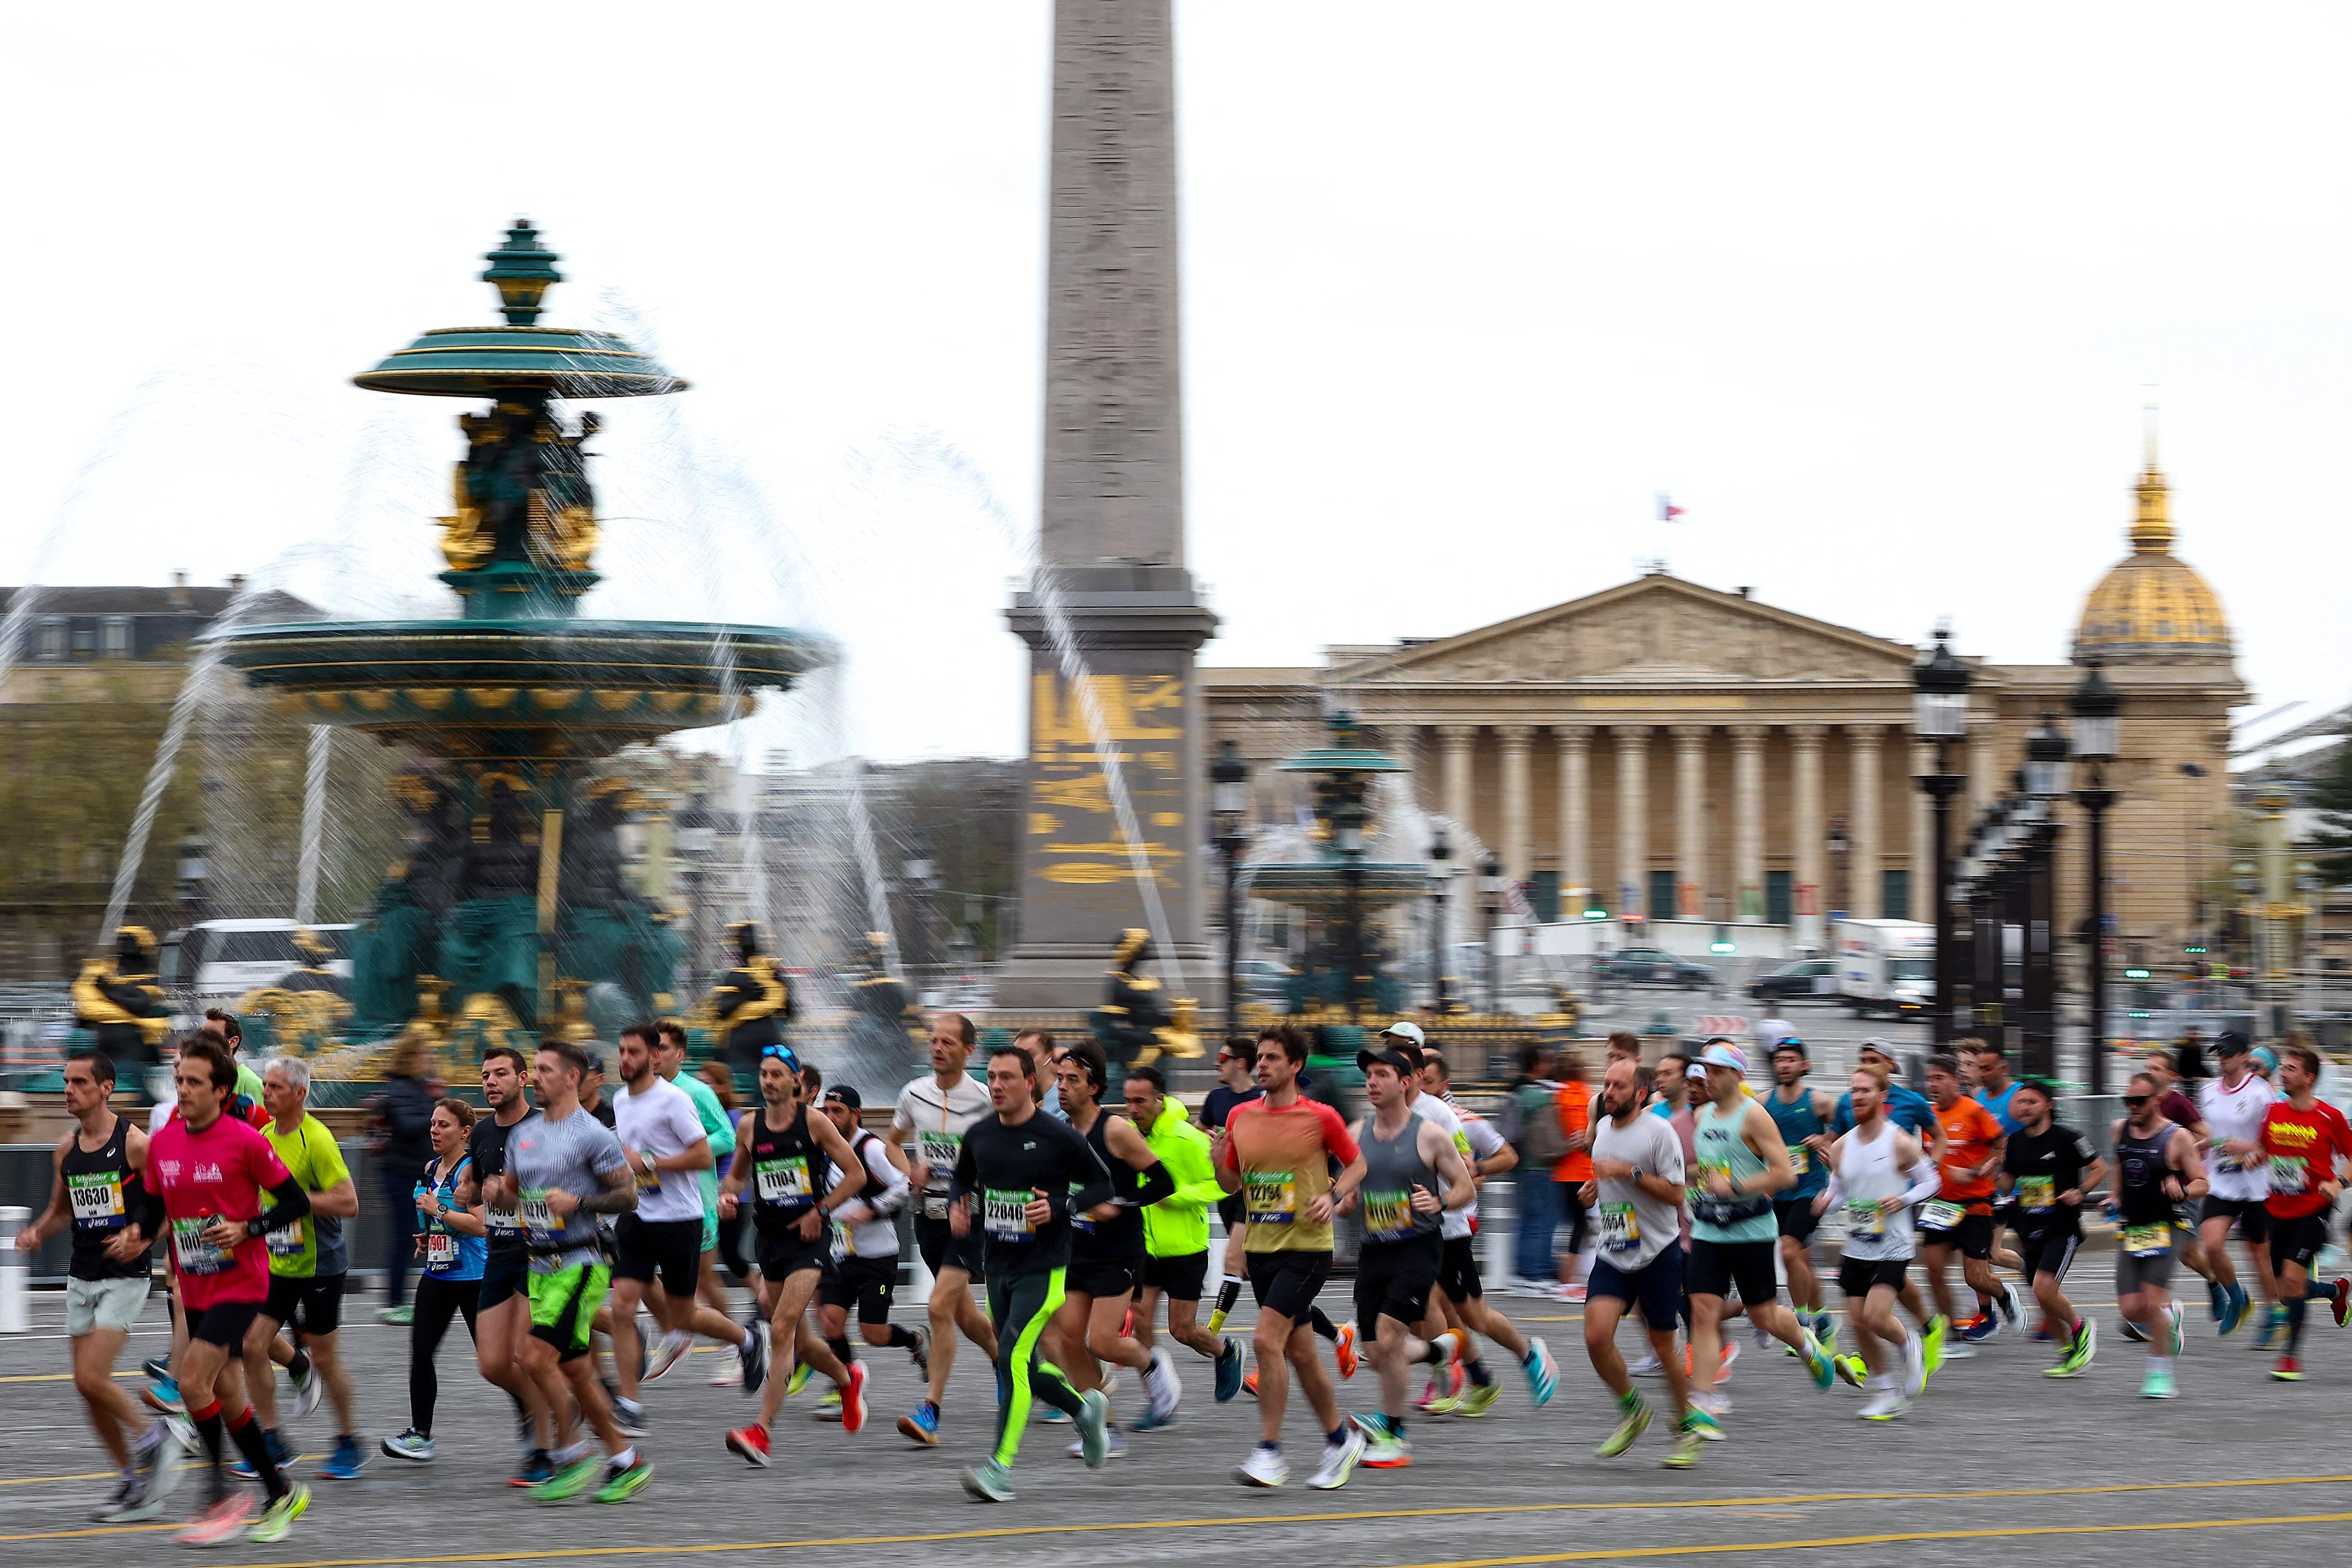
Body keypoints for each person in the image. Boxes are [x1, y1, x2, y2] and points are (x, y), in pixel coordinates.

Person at [142, 1036, 314, 1544]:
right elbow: (153, 1207)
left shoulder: (246, 1140)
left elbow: (295, 1202)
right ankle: (280, 1491)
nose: (183, 1089)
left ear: (222, 1089)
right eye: (179, 1080)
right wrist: (136, 1232)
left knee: (193, 1381)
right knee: (227, 1395)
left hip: (242, 1282)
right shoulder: (164, 1142)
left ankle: (217, 1495)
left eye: (194, 1081)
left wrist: (248, 1228)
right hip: (195, 1285)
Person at [16, 1048, 182, 1522]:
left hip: (125, 1275)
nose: (69, 1089)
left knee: (92, 1376)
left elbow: (171, 1206)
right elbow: (62, 1208)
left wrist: (143, 1237)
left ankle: (157, 1437)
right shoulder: (65, 1150)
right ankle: (132, 1479)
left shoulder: (137, 1144)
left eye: (80, 1082)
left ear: (105, 1088)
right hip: (82, 1273)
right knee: (87, 1386)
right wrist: (35, 1231)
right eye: (66, 1081)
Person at [484, 1038, 652, 1504]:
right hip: (539, 1264)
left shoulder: (594, 1135)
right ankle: (626, 1460)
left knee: (534, 1357)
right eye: (534, 1068)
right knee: (577, 1369)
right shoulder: (524, 1134)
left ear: (571, 1077)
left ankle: (573, 1452)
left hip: (581, 1261)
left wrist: (579, 1201)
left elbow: (629, 1196)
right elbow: (518, 1197)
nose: (535, 1076)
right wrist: (500, 1194)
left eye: (543, 1069)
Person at [950, 1042, 1119, 1503]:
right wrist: (956, 1203)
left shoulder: (1056, 1134)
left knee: (1009, 1357)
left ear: (1030, 1083)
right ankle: (1086, 1410)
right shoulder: (980, 1133)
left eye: (1007, 1077)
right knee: (1024, 1363)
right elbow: (963, 1176)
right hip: (998, 1264)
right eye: (992, 1077)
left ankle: (1000, 1467)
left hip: (1045, 1268)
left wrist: (1062, 1206)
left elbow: (1104, 1183)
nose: (997, 1085)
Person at [1215, 1023, 1368, 1492]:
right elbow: (1232, 1186)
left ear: (1295, 1065)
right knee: (1301, 1353)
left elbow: (1358, 1162)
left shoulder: (1320, 1117)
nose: (1262, 1064)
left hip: (1307, 1247)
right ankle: (1340, 1440)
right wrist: (1219, 1156)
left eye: (1273, 1058)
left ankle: (1270, 1451)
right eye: (1259, 1057)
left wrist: (1334, 1191)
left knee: (1266, 1341)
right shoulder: (1241, 1115)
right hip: (1263, 1249)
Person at [608, 1024, 766, 1437]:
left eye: (634, 1052)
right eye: (621, 1052)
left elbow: (701, 1154)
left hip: (680, 1219)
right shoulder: (620, 1100)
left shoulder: (676, 1099)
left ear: (653, 1058)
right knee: (624, 1307)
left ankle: (748, 1341)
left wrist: (650, 1162)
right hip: (638, 1215)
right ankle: (629, 1404)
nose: (625, 1060)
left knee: (684, 1317)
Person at [719, 1046, 872, 1464]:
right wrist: (727, 1196)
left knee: (782, 1328)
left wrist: (819, 1212)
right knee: (801, 1340)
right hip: (769, 1240)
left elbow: (857, 1174)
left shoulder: (816, 1123)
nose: (768, 1081)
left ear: (794, 1082)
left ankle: (762, 1432)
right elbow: (735, 1174)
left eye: (776, 1075)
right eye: (764, 1074)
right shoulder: (750, 1127)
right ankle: (847, 1378)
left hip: (809, 1239)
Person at [1682, 1041, 1841, 1425]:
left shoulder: (1754, 1116)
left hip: (1750, 1230)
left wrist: (1735, 1187)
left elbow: (1785, 1174)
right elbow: (1709, 1171)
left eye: (1718, 1070)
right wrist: (1691, 1182)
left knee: (1765, 1316)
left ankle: (1809, 1350)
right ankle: (1704, 1402)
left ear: (1738, 1075)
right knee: (1703, 1311)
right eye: (1706, 1069)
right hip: (1709, 1228)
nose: (1710, 1076)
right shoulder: (1702, 1115)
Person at [1332, 1043, 1472, 1469]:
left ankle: (1394, 1434)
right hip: (1374, 1249)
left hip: (1418, 1247)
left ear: (1405, 1082)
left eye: (1381, 1075)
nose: (1371, 1082)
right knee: (1375, 1351)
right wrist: (1346, 1203)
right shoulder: (1357, 1133)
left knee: (1390, 1336)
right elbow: (1347, 1192)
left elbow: (1465, 1187)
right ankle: (1436, 1352)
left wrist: (1441, 1203)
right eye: (1368, 1075)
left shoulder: (1429, 1133)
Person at [1049, 1039, 1180, 1452]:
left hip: (1118, 1251)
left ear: (1094, 1087)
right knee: (1070, 1338)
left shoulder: (1116, 1131)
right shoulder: (1062, 1133)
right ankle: (1104, 1429)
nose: (1063, 1087)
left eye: (1073, 1080)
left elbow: (1164, 1182)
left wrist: (1118, 1205)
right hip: (1078, 1249)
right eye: (1059, 1079)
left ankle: (1151, 1363)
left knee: (1101, 1342)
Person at [239, 1057, 363, 1482]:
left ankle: (349, 1441)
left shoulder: (318, 1140)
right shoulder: (263, 1137)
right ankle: (273, 1440)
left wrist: (298, 1201)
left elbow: (349, 1203)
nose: (266, 1093)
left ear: (299, 1094)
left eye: (275, 1087)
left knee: (327, 1359)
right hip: (277, 1262)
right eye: (266, 1086)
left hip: (320, 1266)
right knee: (253, 1345)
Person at [1416, 1047, 1557, 1411]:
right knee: (1432, 1307)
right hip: (1420, 1230)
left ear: (1443, 1084)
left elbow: (1509, 1156)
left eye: (1427, 1081)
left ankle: (1528, 1355)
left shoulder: (1461, 1119)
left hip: (1454, 1225)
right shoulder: (1407, 1119)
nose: (1420, 1086)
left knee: (1468, 1314)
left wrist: (1474, 1172)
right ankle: (1467, 1377)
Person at [1580, 1055, 1704, 1468]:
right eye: (1606, 1084)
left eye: (1617, 1087)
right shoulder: (1600, 1129)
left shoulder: (1659, 1133)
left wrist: (1629, 1172)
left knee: (1663, 1346)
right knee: (1596, 1338)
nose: (1607, 1093)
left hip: (1657, 1252)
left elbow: (1675, 1194)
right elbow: (1605, 1177)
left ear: (1639, 1093)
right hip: (1613, 1250)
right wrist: (1593, 1189)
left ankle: (1686, 1426)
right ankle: (1632, 1410)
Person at [890, 1012, 999, 1445]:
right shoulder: (913, 1093)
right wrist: (910, 1168)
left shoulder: (985, 1099)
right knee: (964, 1314)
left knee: (938, 1308)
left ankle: (931, 1411)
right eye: (934, 1041)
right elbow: (892, 1143)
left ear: (968, 1051)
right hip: (927, 1216)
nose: (937, 1048)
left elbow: (1002, 1149)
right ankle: (1010, 1368)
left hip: (969, 1215)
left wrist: (976, 1189)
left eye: (948, 1043)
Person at [453, 1044, 556, 1486]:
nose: (491, 1082)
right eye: (484, 1076)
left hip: (540, 1254)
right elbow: (479, 1190)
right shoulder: (481, 1136)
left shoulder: (544, 1128)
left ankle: (546, 1449)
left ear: (523, 1079)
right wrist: (468, 1194)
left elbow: (558, 1201)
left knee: (527, 1356)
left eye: (500, 1074)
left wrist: (508, 1196)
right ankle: (547, 1407)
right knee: (493, 1364)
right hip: (498, 1253)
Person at [1816, 1064, 1941, 1420]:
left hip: (1893, 1243)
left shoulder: (1898, 1141)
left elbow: (1931, 1182)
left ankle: (1908, 1343)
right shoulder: (1841, 1146)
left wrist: (1903, 1200)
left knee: (1875, 1316)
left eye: (1865, 1090)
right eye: (1854, 1090)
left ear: (1882, 1096)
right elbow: (1838, 1192)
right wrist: (1825, 1204)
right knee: (1857, 1323)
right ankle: (1887, 1392)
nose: (1857, 1096)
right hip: (1856, 1243)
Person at [1124, 1065, 1245, 1401]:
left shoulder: (1186, 1138)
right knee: (1141, 1322)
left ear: (1159, 1100)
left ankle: (1225, 1352)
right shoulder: (1130, 1137)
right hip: (1146, 1249)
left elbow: (1222, 1185)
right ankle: (1160, 1396)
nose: (1133, 1109)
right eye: (1128, 1101)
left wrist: (1175, 1197)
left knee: (1183, 1330)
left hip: (1185, 1250)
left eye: (1140, 1101)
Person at [383, 1098, 489, 1460]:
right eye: (432, 1123)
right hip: (438, 1273)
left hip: (473, 1277)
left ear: (465, 1132)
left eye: (443, 1125)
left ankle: (537, 1422)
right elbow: (443, 1222)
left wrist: (438, 1210)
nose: (434, 1130)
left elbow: (481, 1226)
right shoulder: (431, 1168)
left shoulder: (469, 1171)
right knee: (421, 1352)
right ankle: (420, 1435)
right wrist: (430, 1235)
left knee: (496, 1363)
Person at [810, 1085, 925, 1392]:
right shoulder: (824, 1151)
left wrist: (871, 1209)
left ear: (855, 1115)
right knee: (830, 1321)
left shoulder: (870, 1149)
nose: (831, 1118)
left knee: (873, 1333)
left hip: (877, 1256)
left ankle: (915, 1340)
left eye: (839, 1112)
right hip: (840, 1254)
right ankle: (845, 1385)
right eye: (827, 1112)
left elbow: (905, 1185)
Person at [650, 1019, 745, 1380]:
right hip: (653, 1199)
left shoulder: (697, 1093)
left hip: (695, 1200)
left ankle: (735, 1346)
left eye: (663, 1048)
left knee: (704, 1280)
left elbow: (728, 1137)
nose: (656, 1055)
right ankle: (677, 1332)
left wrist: (689, 1149)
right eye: (652, 1048)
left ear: (680, 1054)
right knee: (639, 1273)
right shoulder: (643, 1093)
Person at [2257, 1039, 2352, 1381]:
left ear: (2308, 1078)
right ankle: (2335, 1291)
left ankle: (2289, 1359)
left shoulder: (2329, 1116)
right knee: (2285, 1291)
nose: (2283, 1073)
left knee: (2294, 1278)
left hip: (2314, 1210)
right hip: (2277, 1208)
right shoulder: (2274, 1112)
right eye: (2282, 1067)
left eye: (2290, 1069)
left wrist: (2338, 1184)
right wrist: (2253, 1154)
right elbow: (2264, 1149)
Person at [1999, 1077, 2105, 1379]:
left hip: (2062, 1226)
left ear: (2048, 1105)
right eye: (2020, 1102)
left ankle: (2081, 1328)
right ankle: (2068, 1352)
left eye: (2031, 1101)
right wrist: (1990, 1174)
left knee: (2044, 1288)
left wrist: (2081, 1191)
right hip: (2028, 1227)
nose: (2025, 1107)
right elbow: (2006, 1183)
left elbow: (2101, 1168)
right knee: (2042, 1294)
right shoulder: (2016, 1142)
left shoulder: (2069, 1138)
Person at [2109, 1073, 2208, 1397]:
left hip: (2167, 1227)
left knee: (2150, 1303)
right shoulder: (2119, 1130)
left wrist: (2182, 1190)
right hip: (2134, 1228)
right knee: (2129, 1310)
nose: (2133, 1107)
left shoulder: (2175, 1137)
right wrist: (2113, 1198)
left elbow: (2202, 1183)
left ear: (2156, 1101)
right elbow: (2119, 1168)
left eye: (2139, 1102)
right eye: (2128, 1101)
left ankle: (2160, 1375)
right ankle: (2170, 1316)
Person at [1916, 1053, 2014, 1364]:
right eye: (1929, 1079)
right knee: (1932, 1269)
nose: (1932, 1085)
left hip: (1975, 1205)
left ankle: (2003, 1295)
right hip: (1940, 1205)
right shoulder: (1928, 1116)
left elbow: (2001, 1146)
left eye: (1939, 1078)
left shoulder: (1973, 1111)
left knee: (1975, 1277)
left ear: (1955, 1081)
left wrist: (1975, 1172)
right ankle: (1951, 1334)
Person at [2195, 1031, 2272, 1339]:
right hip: (2222, 1182)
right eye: (2218, 1054)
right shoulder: (2207, 1092)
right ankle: (2238, 1298)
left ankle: (2272, 1314)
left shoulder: (2260, 1094)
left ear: (2243, 1056)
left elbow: (2273, 1142)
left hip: (2257, 1186)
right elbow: (2219, 1134)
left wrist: (2253, 1151)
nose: (2222, 1059)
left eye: (2227, 1053)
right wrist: (2204, 1144)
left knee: (2261, 1257)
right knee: (2212, 1246)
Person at [1762, 1039, 1836, 1347]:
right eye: (1779, 1060)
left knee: (1789, 1250)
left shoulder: (1819, 1102)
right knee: (1801, 1263)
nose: (1784, 1065)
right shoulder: (1762, 1102)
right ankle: (1823, 1322)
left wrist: (1826, 1141)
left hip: (1809, 1190)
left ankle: (1801, 1324)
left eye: (1791, 1060)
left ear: (1804, 1066)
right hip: (1777, 1192)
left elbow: (1847, 1132)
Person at [372, 1031, 438, 1325]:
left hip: (413, 1173)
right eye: (426, 1053)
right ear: (413, 1057)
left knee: (414, 1234)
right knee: (403, 1237)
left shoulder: (416, 1089)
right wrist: (437, 1112)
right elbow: (409, 1126)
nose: (431, 1059)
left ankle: (404, 1299)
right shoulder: (401, 1089)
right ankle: (394, 1302)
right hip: (401, 1174)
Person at [1203, 1037, 1265, 1335]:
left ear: (1241, 1064)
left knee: (1232, 1260)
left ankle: (1212, 1330)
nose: (1217, 1063)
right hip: (1225, 1190)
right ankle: (1336, 1334)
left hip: (1253, 1193)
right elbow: (1200, 1129)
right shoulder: (1216, 1098)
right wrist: (1212, 1141)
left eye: (1222, 1057)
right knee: (1255, 1271)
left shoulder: (1263, 1098)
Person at [1499, 1042, 1565, 1295]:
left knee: (1526, 1220)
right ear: (1538, 1065)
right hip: (1541, 1166)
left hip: (1522, 1165)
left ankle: (1524, 1272)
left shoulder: (1515, 1093)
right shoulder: (1541, 1096)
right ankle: (1534, 1274)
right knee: (1543, 1221)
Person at [1551, 1050, 1596, 1301]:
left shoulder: (1558, 1097)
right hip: (1582, 1169)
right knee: (1579, 1225)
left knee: (1567, 1223)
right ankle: (1568, 1282)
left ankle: (1563, 1278)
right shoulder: (1586, 1096)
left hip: (1561, 1168)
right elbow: (1588, 1133)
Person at [1016, 1027, 1065, 1119]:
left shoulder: (1065, 1101)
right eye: (1016, 1058)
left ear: (1050, 1056)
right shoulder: (1016, 1103)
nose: (1021, 1063)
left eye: (1030, 1056)